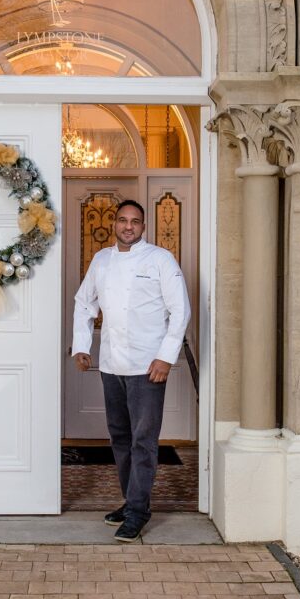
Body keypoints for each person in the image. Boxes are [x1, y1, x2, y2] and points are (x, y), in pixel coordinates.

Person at [71, 199, 191, 542]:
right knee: (120, 439)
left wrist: (166, 358)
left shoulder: (160, 260)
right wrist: (82, 346)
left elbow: (179, 311)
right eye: (122, 220)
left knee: (143, 441)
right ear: (114, 224)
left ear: (143, 226)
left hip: (147, 366)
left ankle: (137, 512)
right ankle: (132, 501)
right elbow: (84, 303)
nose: (128, 226)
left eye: (135, 222)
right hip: (111, 365)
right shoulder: (102, 260)